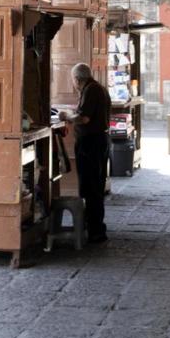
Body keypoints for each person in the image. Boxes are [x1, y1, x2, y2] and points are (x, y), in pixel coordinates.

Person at [63, 63, 109, 244]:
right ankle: (94, 227)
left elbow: (84, 118)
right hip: (97, 142)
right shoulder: (97, 88)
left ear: (77, 79)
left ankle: (96, 230)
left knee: (91, 187)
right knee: (94, 186)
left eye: (73, 79)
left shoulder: (91, 90)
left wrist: (66, 116)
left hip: (92, 144)